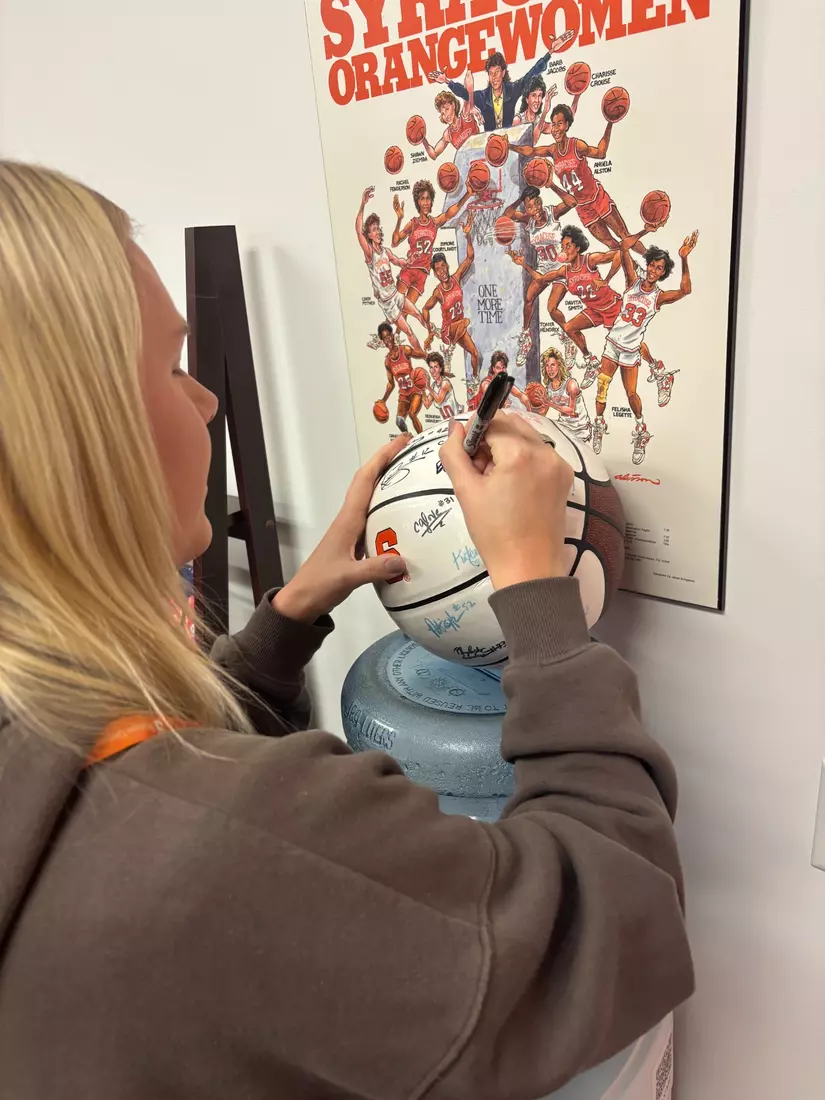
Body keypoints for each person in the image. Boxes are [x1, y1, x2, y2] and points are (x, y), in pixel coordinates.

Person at [0, 161, 693, 1099]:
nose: (205, 399)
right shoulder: (236, 848)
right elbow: (603, 929)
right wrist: (534, 588)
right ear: (74, 435)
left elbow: (100, 772)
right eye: (170, 366)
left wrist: (282, 624)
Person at [591, 226, 699, 463]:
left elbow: (685, 290)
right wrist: (645, 231)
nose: (653, 270)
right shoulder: (632, 281)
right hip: (613, 345)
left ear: (662, 273)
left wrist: (684, 258)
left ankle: (641, 428)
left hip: (630, 351)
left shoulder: (658, 297)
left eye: (659, 268)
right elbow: (623, 246)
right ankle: (598, 425)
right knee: (602, 387)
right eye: (652, 264)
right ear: (648, 264)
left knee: (631, 394)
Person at [511, 102, 645, 257]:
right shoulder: (552, 150)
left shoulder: (576, 145)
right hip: (582, 208)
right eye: (553, 124)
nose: (555, 129)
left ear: (567, 125)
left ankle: (649, 257)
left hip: (596, 197)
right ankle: (633, 269)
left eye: (559, 124)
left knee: (624, 235)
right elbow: (532, 151)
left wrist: (610, 123)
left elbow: (600, 153)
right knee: (611, 245)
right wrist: (509, 146)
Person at [508, 224, 624, 386]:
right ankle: (590, 360)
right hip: (594, 310)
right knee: (569, 328)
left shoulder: (589, 260)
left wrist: (606, 280)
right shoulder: (565, 271)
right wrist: (523, 264)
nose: (564, 251)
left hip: (612, 308)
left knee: (626, 346)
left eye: (568, 246)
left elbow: (619, 254)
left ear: (577, 247)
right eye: (562, 247)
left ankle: (655, 366)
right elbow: (541, 279)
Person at [429, 33, 574, 132]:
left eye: (497, 72)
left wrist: (550, 52)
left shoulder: (512, 89)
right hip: (490, 147)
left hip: (509, 144)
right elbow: (464, 93)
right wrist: (446, 81)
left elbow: (532, 74)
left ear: (503, 72)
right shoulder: (483, 97)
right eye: (491, 73)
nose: (494, 77)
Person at [501, 182, 577, 368]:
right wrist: (522, 198)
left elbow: (572, 202)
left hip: (560, 267)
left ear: (541, 202)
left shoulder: (553, 213)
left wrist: (551, 184)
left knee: (552, 309)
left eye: (535, 203)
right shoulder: (528, 221)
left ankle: (568, 340)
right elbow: (507, 215)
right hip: (544, 267)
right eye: (529, 206)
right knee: (528, 298)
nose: (533, 209)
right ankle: (526, 338)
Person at [355, 186, 431, 350]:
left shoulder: (385, 252)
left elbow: (398, 261)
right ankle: (422, 355)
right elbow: (358, 232)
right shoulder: (370, 254)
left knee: (418, 314)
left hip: (395, 295)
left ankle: (432, 333)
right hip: (387, 302)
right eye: (374, 230)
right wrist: (362, 205)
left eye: (378, 228)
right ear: (369, 235)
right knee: (409, 331)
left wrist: (410, 261)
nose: (378, 231)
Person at [392, 179, 472, 304]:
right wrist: (399, 219)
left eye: (428, 198)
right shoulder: (413, 224)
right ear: (418, 202)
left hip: (422, 274)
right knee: (396, 306)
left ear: (431, 201)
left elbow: (449, 213)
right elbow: (395, 242)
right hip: (409, 269)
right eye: (422, 199)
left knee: (405, 312)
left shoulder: (434, 223)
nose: (425, 202)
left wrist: (467, 194)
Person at [421, 212, 480, 379]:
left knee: (474, 353)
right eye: (438, 269)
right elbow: (425, 308)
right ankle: (446, 351)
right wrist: (429, 331)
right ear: (435, 274)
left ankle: (474, 381)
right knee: (454, 333)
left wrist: (467, 235)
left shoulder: (456, 277)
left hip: (459, 327)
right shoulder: (438, 292)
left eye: (443, 266)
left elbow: (470, 257)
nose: (442, 271)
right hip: (449, 330)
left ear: (447, 266)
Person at [376, 321, 429, 434]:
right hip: (404, 395)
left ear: (392, 335)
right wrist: (384, 400)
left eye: (389, 335)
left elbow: (422, 355)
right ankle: (409, 440)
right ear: (382, 341)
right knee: (399, 421)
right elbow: (391, 384)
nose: (388, 339)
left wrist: (435, 364)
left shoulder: (405, 350)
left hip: (415, 390)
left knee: (412, 414)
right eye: (385, 338)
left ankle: (422, 437)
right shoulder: (388, 362)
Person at [419, 69, 484, 159]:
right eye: (442, 113)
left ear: (453, 105)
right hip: (469, 166)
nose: (446, 115)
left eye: (447, 109)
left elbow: (469, 75)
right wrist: (422, 139)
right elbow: (434, 154)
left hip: (483, 157)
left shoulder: (465, 115)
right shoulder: (448, 134)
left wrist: (446, 80)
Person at [541, 346, 593, 443]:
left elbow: (571, 411)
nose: (549, 369)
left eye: (552, 365)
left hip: (579, 430)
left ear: (559, 365)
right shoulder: (548, 388)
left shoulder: (571, 384)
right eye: (547, 366)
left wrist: (550, 403)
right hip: (564, 427)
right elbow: (544, 411)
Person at [423, 350, 464, 418]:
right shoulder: (434, 385)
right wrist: (421, 389)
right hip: (448, 421)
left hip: (457, 419)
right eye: (431, 367)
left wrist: (428, 387)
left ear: (441, 369)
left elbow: (439, 400)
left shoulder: (445, 383)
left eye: (436, 367)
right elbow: (427, 404)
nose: (433, 371)